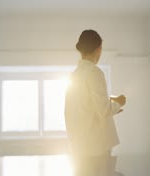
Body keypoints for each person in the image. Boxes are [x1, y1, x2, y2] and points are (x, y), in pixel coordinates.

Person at [65, 29, 126, 176]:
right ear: (99, 49)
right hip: (96, 148)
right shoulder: (95, 72)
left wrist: (111, 102)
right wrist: (120, 102)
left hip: (80, 147)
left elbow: (85, 106)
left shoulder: (74, 75)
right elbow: (103, 110)